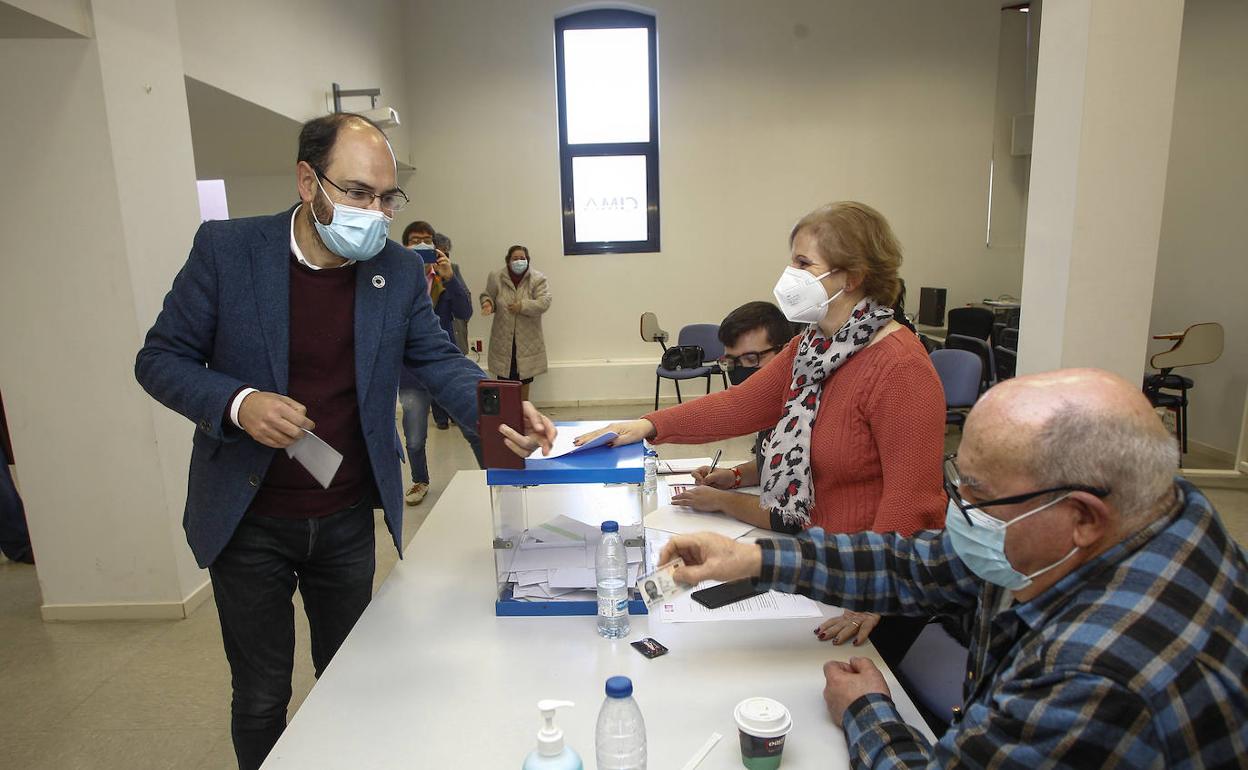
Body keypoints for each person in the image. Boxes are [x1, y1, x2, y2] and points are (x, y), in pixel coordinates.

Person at [134, 113, 556, 770]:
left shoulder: (395, 270)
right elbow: (161, 359)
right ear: (308, 181)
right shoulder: (228, 251)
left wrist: (501, 409)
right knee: (261, 695)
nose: (376, 212)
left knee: (351, 677)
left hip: (344, 511)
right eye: (358, 193)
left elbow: (439, 361)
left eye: (387, 198)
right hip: (248, 519)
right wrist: (239, 403)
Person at [660, 368, 1248, 769]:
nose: (956, 507)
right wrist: (756, 558)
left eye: (977, 493)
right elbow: (917, 567)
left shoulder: (1097, 672)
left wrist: (866, 713)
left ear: (1082, 516)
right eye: (957, 478)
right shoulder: (1149, 509)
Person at [579, 201, 947, 663]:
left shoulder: (899, 366)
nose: (789, 275)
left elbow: (911, 500)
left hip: (869, 586)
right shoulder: (813, 347)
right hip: (819, 565)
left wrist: (871, 594)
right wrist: (651, 425)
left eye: (803, 263)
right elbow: (741, 404)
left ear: (850, 276)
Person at [397, 222, 481, 505]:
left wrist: (450, 280)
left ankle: (491, 475)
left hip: (447, 367)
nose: (421, 245)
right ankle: (419, 480)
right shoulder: (394, 276)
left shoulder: (450, 272)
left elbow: (464, 312)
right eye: (414, 240)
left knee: (472, 426)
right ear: (404, 245)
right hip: (410, 373)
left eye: (427, 240)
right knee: (414, 435)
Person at [480, 245, 551, 402]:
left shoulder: (538, 278)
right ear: (508, 260)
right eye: (515, 258)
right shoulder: (496, 277)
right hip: (503, 339)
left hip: (527, 341)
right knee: (504, 379)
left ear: (528, 260)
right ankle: (507, 414)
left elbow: (544, 302)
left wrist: (522, 306)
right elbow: (487, 295)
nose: (519, 261)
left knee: (524, 380)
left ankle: (523, 415)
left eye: (522, 258)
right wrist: (487, 304)